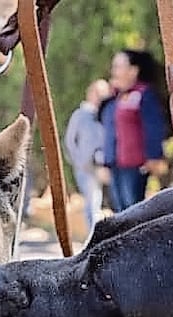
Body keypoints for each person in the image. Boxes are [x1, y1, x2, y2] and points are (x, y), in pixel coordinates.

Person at [100, 49, 169, 212]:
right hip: (116, 162)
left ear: (133, 70)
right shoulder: (115, 98)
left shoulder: (143, 95)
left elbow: (154, 126)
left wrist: (154, 156)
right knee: (118, 208)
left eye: (118, 67)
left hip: (135, 164)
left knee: (132, 208)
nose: (114, 71)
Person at [64, 79, 110, 238]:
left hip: (104, 166)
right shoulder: (81, 114)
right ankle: (93, 238)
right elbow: (70, 141)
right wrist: (79, 161)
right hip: (85, 167)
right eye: (97, 93)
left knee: (104, 203)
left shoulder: (106, 113)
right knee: (92, 202)